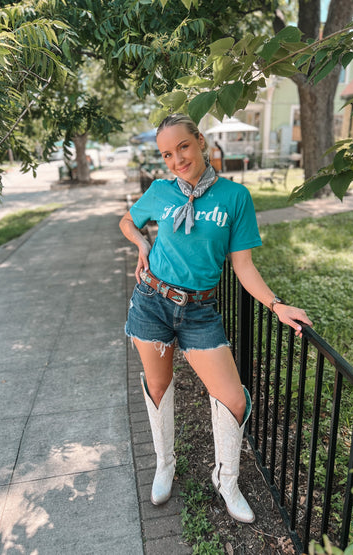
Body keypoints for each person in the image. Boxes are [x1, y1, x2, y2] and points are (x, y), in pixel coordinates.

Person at [119, 113, 312, 524]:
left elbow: (243, 265)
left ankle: (226, 479)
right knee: (158, 385)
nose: (176, 160)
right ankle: (165, 464)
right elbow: (128, 221)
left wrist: (276, 305)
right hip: (152, 301)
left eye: (182, 148)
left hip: (199, 312)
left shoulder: (234, 198)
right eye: (167, 154)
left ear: (201, 142)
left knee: (234, 398)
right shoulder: (160, 191)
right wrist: (141, 242)